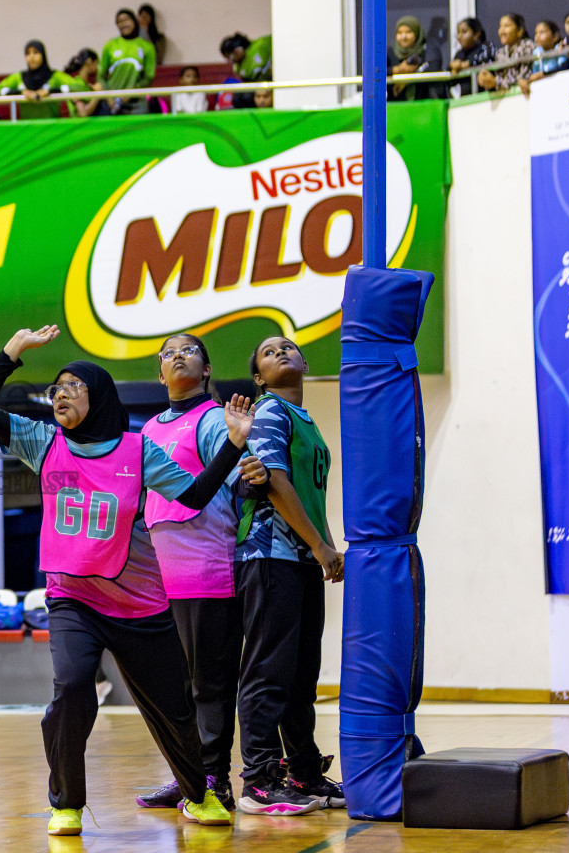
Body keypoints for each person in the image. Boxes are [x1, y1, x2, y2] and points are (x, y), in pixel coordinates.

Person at [0, 323, 267, 836]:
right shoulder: (43, 443)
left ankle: (197, 793)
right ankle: (66, 802)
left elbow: (192, 497)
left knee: (174, 709)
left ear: (99, 396)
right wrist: (12, 350)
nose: (60, 394)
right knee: (72, 688)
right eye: (55, 388)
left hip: (140, 606)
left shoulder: (137, 449)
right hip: (73, 599)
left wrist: (234, 445)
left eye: (72, 387)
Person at [234, 336, 346, 816]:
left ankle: (302, 771)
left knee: (301, 677)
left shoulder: (308, 422)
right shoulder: (271, 410)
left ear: (304, 363)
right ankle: (258, 780)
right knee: (268, 672)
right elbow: (275, 482)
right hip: (269, 555)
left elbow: (307, 491)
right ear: (259, 376)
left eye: (288, 347)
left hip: (299, 558)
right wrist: (321, 544)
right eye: (267, 351)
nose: (280, 352)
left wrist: (322, 545)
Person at [134, 335, 246, 814]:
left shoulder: (215, 420)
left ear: (206, 369)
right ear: (160, 375)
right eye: (167, 353)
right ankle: (187, 776)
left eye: (188, 350)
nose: (177, 356)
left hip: (205, 563)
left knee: (209, 681)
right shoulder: (147, 431)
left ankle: (215, 781)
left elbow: (235, 479)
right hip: (160, 574)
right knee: (176, 687)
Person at [0, 40, 80, 120]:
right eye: (28, 53)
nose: (31, 57)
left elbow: (81, 88)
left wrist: (51, 91)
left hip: (52, 129)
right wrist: (22, 92)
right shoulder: (19, 77)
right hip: (27, 130)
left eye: (36, 52)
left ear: (43, 55)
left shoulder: (55, 76)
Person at [101, 8, 158, 114]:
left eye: (126, 20)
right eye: (119, 22)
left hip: (137, 102)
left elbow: (149, 76)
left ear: (134, 21)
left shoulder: (147, 47)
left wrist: (134, 90)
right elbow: (101, 76)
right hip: (113, 103)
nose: (123, 24)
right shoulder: (110, 45)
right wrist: (108, 97)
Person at [387, 16, 442, 101]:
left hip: (425, 102)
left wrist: (406, 80)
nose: (403, 37)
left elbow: (433, 65)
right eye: (399, 33)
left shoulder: (428, 48)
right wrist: (396, 70)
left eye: (408, 32)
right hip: (396, 106)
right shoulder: (390, 52)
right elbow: (376, 73)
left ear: (417, 33)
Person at [475, 13, 531, 93]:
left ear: (519, 31)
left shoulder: (527, 46)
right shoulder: (500, 53)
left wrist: (495, 82)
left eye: (506, 26)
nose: (502, 31)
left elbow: (524, 78)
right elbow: (501, 78)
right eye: (500, 27)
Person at [219, 32, 272, 110]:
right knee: (237, 98)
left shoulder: (261, 45)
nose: (230, 61)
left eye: (229, 57)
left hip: (271, 84)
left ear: (237, 51)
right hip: (257, 88)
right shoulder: (238, 66)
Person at [520, 20, 569, 96]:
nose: (538, 36)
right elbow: (534, 72)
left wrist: (544, 74)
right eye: (536, 33)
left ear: (555, 36)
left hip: (561, 86)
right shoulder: (536, 52)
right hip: (544, 89)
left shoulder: (560, 48)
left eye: (542, 32)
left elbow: (564, 67)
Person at [448, 17, 495, 96]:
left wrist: (467, 64)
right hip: (466, 99)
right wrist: (452, 68)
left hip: (486, 96)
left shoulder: (486, 47)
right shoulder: (459, 54)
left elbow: (487, 58)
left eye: (464, 32)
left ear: (476, 34)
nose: (459, 36)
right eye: (458, 32)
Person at [62, 48, 107, 118]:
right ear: (89, 61)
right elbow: (83, 113)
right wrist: (98, 94)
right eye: (96, 63)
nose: (97, 68)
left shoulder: (84, 84)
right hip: (77, 125)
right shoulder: (77, 84)